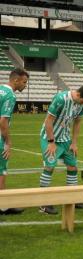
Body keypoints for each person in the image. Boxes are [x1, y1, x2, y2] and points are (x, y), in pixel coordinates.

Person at [38, 85, 83, 215]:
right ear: (79, 95)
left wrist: (74, 143)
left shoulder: (82, 104)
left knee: (73, 167)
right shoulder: (61, 99)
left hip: (65, 139)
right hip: (49, 138)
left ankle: (72, 199)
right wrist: (51, 142)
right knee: (50, 167)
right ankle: (43, 204)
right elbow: (48, 121)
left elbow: (78, 122)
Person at [0, 68, 29, 215]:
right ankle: (3, 206)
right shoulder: (10, 96)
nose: (25, 85)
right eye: (24, 82)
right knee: (1, 171)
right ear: (15, 80)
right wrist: (8, 142)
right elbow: (3, 122)